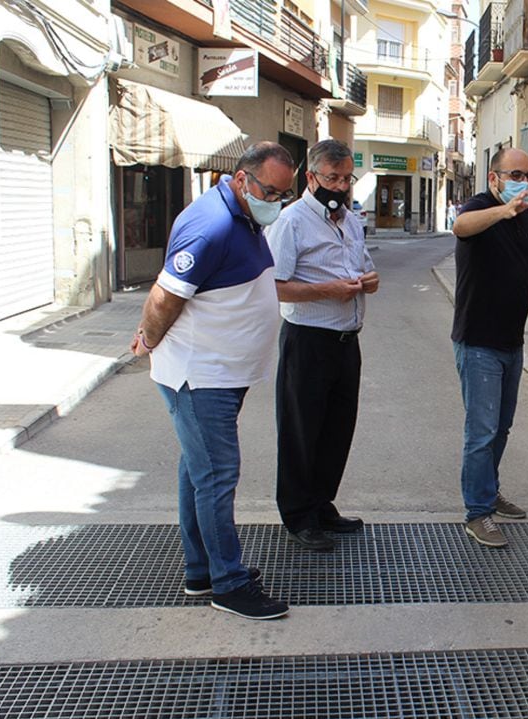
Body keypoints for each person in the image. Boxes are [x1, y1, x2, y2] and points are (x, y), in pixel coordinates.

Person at [130, 141, 295, 620]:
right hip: (200, 378)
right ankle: (228, 582)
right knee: (217, 477)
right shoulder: (211, 224)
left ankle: (201, 570)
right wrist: (148, 339)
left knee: (197, 471)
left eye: (284, 194)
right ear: (242, 180)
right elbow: (164, 296)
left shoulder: (243, 214)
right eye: (271, 191)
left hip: (222, 374)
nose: (277, 202)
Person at [266, 139, 379, 552]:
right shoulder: (291, 221)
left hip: (347, 342)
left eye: (347, 178)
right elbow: (275, 287)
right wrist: (326, 291)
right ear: (311, 177)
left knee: (336, 429)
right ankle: (298, 515)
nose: (340, 186)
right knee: (301, 429)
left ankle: (321, 504)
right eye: (332, 177)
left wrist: (369, 281)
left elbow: (367, 270)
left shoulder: (350, 221)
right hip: (308, 341)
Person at [451, 147, 528, 548]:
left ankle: (488, 491)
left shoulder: (526, 217)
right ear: (494, 179)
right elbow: (461, 226)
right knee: (482, 430)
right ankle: (478, 513)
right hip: (478, 341)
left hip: (511, 342)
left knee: (501, 427)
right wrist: (502, 211)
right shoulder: (481, 208)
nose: (524, 182)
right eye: (515, 174)